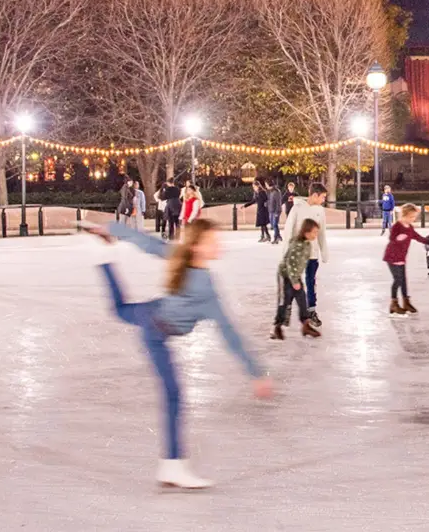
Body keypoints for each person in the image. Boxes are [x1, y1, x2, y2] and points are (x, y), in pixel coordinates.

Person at [88, 218, 273, 489]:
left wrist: (112, 229)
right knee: (174, 394)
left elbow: (148, 244)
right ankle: (172, 466)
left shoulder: (186, 263)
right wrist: (255, 372)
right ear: (197, 247)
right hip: (155, 328)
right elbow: (229, 333)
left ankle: (102, 256)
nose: (219, 246)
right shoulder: (205, 287)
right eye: (213, 242)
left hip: (152, 312)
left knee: (120, 310)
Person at [281, 183, 329, 325]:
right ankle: (286, 309)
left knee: (311, 282)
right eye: (323, 197)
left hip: (312, 254)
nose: (323, 200)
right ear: (315, 195)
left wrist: (324, 251)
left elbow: (322, 233)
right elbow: (288, 230)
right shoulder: (297, 208)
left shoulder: (320, 211)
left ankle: (311, 310)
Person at [271, 218, 321, 339]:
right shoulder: (297, 245)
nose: (316, 235)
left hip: (295, 276)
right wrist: (294, 281)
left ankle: (305, 325)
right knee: (285, 301)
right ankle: (277, 327)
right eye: (314, 232)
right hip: (285, 275)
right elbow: (290, 263)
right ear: (306, 232)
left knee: (302, 299)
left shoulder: (307, 244)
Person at [383, 204, 428, 315]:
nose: (413, 219)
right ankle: (393, 303)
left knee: (403, 281)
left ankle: (406, 302)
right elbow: (392, 238)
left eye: (414, 217)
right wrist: (398, 238)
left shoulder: (410, 228)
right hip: (392, 257)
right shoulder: (397, 226)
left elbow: (418, 237)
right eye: (411, 217)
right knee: (397, 279)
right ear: (405, 215)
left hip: (401, 257)